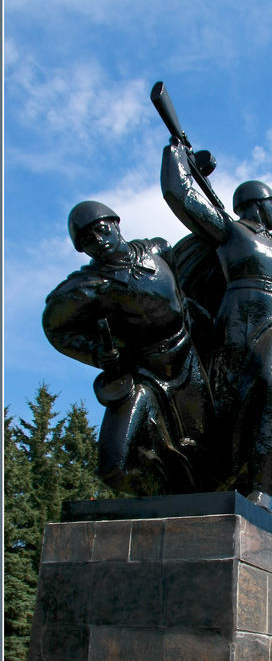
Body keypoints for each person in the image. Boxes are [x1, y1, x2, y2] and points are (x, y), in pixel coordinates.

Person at [161, 141, 272, 511]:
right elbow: (180, 194)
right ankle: (225, 479)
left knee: (271, 387)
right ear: (260, 202)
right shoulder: (229, 231)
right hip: (232, 322)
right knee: (225, 402)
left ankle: (263, 487)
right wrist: (176, 153)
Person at [43, 201, 212, 495]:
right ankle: (157, 500)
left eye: (100, 230)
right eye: (86, 240)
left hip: (188, 364)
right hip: (142, 373)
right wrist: (97, 353)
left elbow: (185, 287)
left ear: (115, 223)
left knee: (208, 458)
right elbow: (55, 327)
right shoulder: (88, 286)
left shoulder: (159, 250)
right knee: (114, 466)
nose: (97, 241)